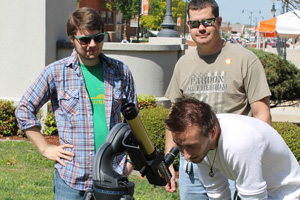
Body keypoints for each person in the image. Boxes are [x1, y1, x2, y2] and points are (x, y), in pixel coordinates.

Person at [15, 7, 137, 200]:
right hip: (72, 179)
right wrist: (45, 148)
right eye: (85, 40)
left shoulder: (120, 71)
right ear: (72, 39)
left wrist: (130, 162)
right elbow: (24, 108)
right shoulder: (56, 72)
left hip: (113, 177)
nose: (92, 44)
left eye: (98, 38)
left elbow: (134, 123)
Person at [164, 0, 271, 199]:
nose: (201, 28)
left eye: (207, 22)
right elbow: (173, 116)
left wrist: (256, 159)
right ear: (188, 26)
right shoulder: (183, 64)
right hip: (192, 165)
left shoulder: (245, 59)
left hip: (232, 160)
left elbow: (261, 114)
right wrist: (168, 159)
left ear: (219, 22)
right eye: (195, 24)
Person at [165, 97, 300, 199]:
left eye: (191, 146)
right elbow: (217, 193)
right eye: (180, 146)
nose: (186, 156)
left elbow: (253, 197)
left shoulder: (240, 141)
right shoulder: (200, 143)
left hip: (286, 194)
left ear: (212, 133)